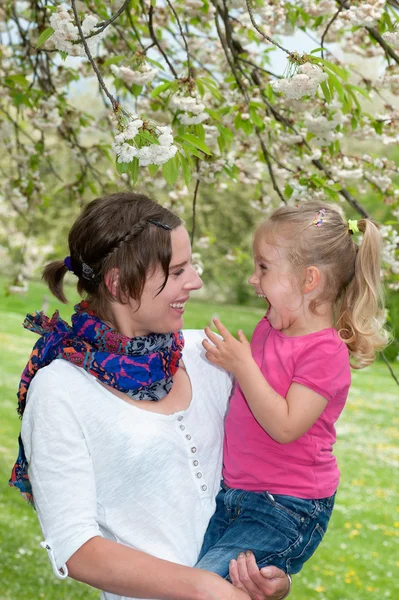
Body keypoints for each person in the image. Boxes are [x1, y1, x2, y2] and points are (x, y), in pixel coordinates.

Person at [9, 192, 290, 600]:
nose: (195, 281)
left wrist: (267, 573)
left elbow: (264, 472)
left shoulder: (211, 356)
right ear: (120, 284)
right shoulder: (60, 389)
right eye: (177, 272)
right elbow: (76, 547)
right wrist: (205, 589)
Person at [198, 201, 388, 579]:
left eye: (264, 267)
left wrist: (243, 366)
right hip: (235, 495)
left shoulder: (325, 352)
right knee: (199, 580)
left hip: (285, 507)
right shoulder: (268, 329)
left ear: (308, 280)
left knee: (200, 586)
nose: (253, 279)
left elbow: (285, 426)